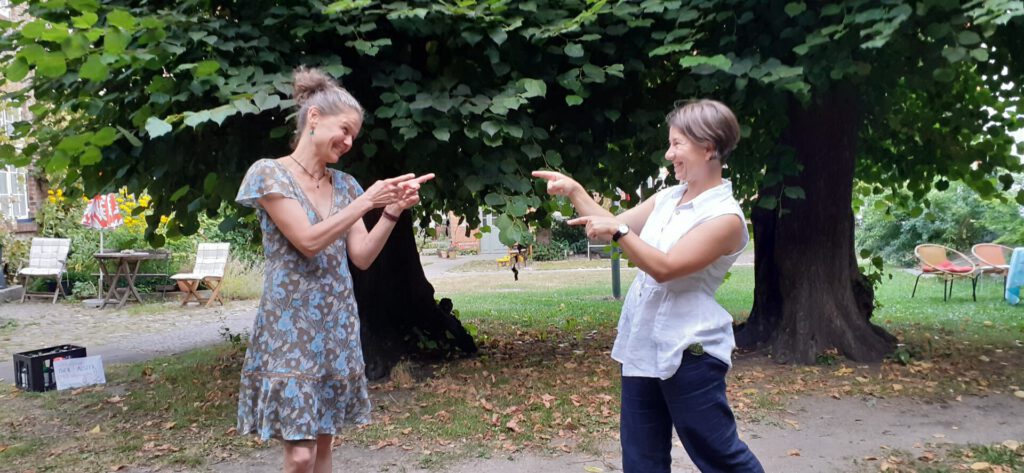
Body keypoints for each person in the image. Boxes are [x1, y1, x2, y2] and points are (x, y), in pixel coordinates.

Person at [533, 99, 764, 473]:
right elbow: (613, 223)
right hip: (642, 343)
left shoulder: (726, 218)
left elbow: (665, 267)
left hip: (691, 350)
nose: (669, 153)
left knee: (719, 455)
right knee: (642, 460)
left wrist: (620, 232)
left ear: (709, 148)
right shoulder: (669, 197)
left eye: (677, 144)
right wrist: (575, 191)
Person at [235, 66, 433, 473]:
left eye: (353, 138)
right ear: (314, 118)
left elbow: (360, 255)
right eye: (343, 131)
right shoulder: (269, 173)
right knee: (301, 454)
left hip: (336, 323)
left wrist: (391, 212)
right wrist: (366, 202)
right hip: (289, 327)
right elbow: (307, 241)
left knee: (324, 448)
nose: (347, 142)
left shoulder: (345, 184)